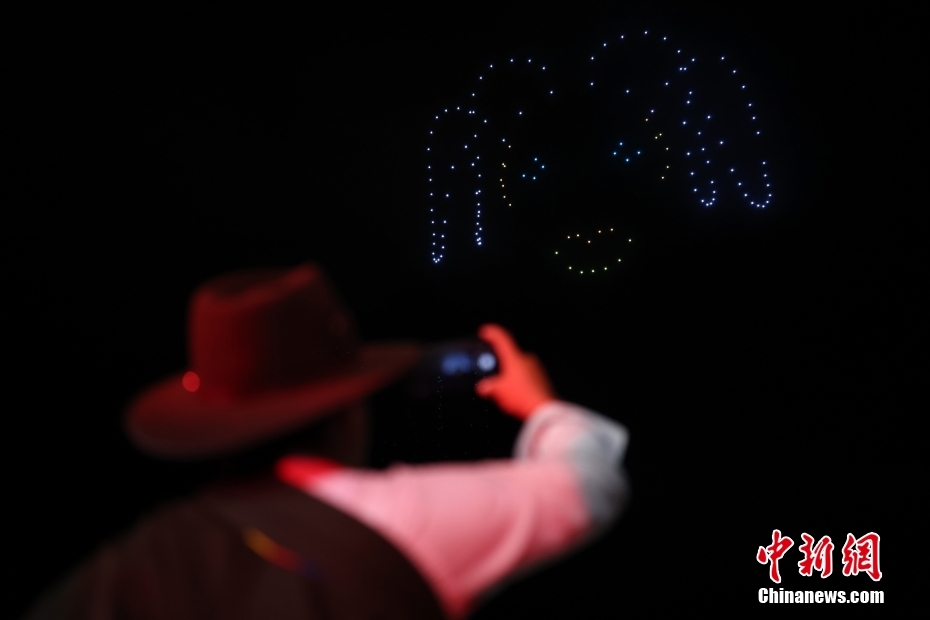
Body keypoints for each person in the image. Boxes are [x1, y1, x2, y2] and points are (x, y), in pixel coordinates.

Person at [23, 262, 630, 620]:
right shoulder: (400, 521)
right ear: (347, 410)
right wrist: (541, 407)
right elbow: (586, 485)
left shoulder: (127, 567)